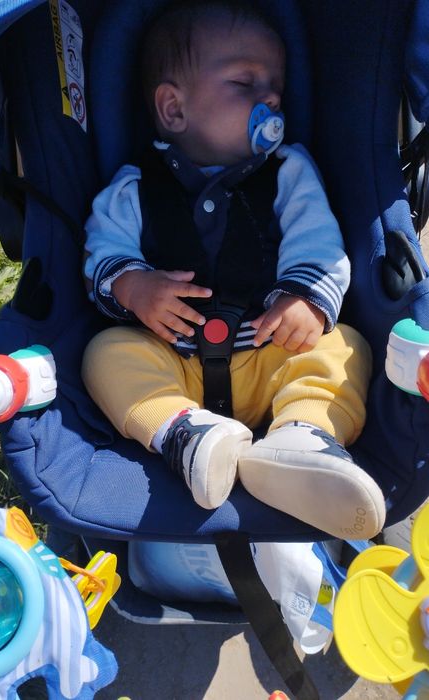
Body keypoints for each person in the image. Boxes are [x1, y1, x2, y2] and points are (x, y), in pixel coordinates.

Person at [81, 0, 386, 539]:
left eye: (276, 87)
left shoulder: (289, 172)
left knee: (345, 347)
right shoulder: (135, 186)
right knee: (105, 354)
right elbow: (102, 255)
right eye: (246, 83)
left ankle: (303, 437)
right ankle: (184, 434)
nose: (271, 98)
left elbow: (319, 242)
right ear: (174, 109)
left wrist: (304, 298)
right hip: (174, 362)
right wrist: (134, 286)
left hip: (270, 354)